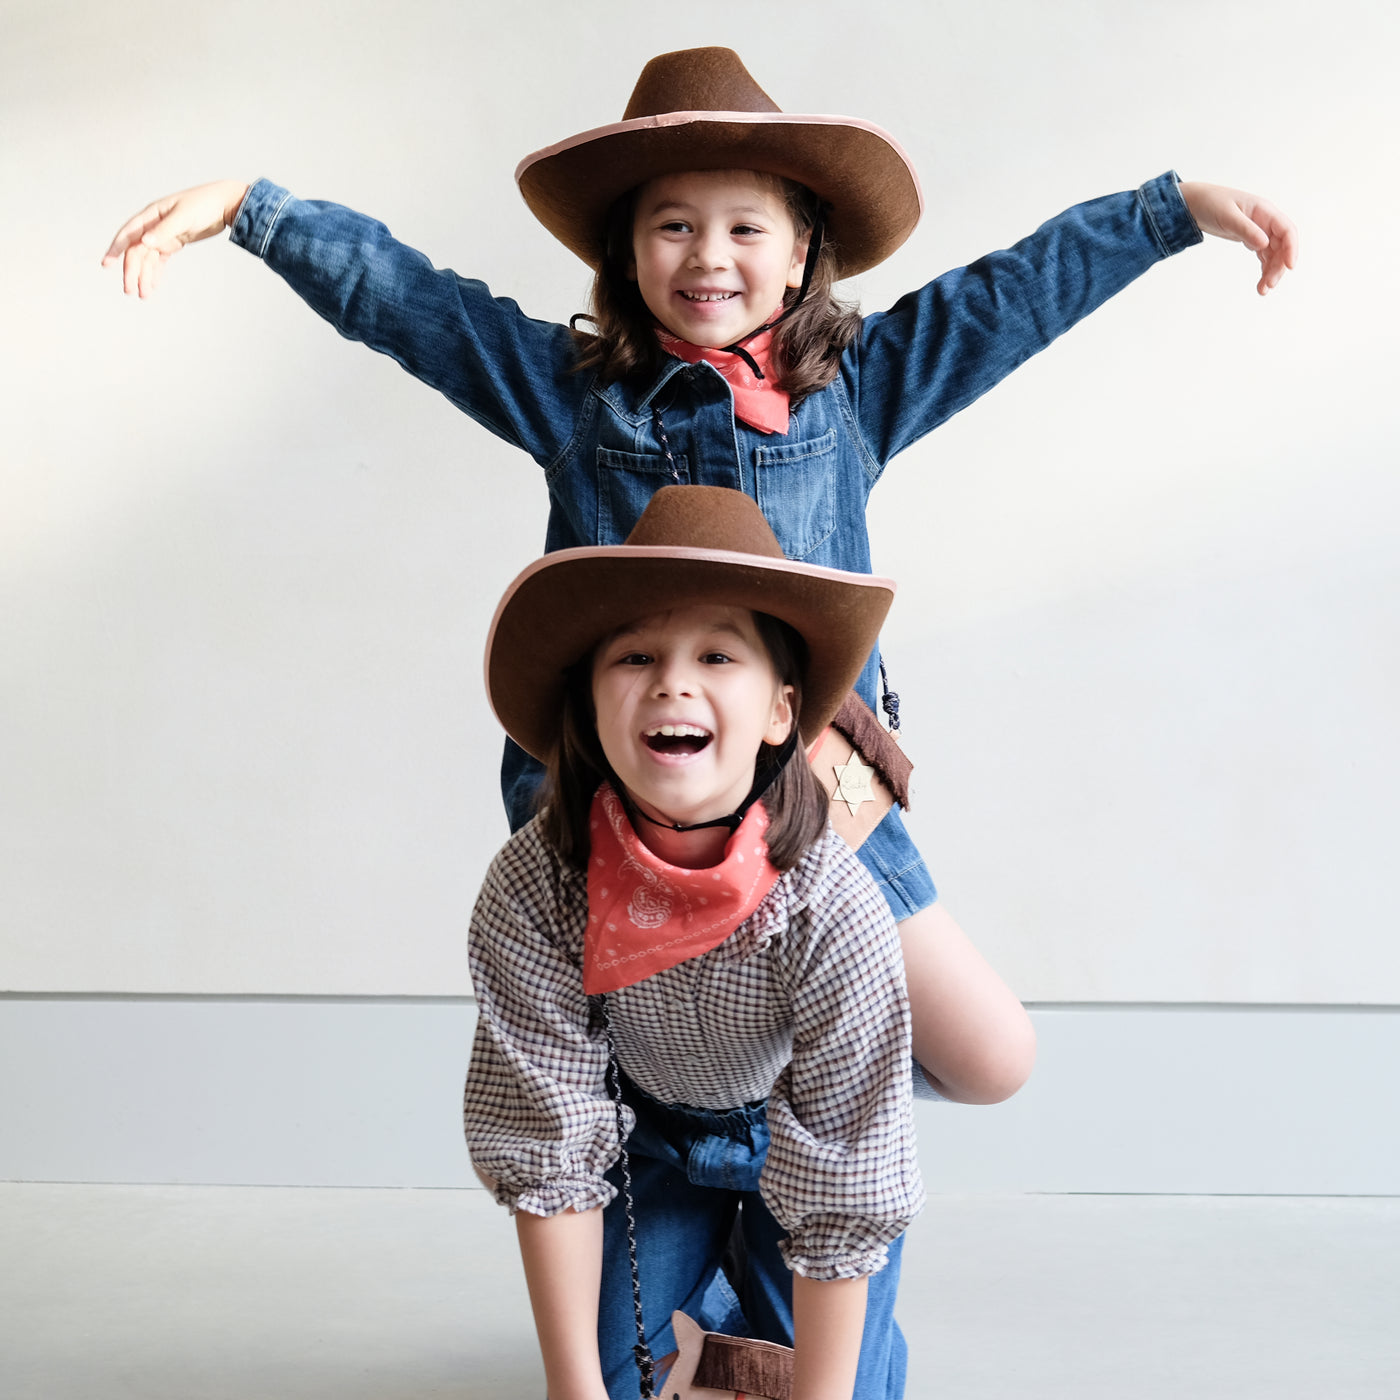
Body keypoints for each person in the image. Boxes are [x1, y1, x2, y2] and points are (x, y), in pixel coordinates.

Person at [101, 47, 1298, 1108]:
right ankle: (671, 1205)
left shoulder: (855, 392)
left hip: (810, 792)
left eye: (743, 227)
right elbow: (417, 306)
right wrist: (254, 211)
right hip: (626, 800)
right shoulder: (575, 397)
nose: (707, 255)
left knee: (988, 1056)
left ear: (798, 256)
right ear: (627, 251)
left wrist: (1165, 212)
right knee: (648, 1069)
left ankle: (775, 1124)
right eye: (671, 224)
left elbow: (1009, 296)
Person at [464, 484, 923, 1400]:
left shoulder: (833, 905)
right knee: (607, 1375)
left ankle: (738, 1306)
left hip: (789, 1136)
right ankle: (702, 1294)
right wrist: (574, 1391)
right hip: (646, 1138)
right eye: (634, 656)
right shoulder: (532, 889)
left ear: (781, 714)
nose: (674, 681)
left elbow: (845, 1172)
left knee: (840, 1386)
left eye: (718, 654)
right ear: (590, 706)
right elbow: (551, 1146)